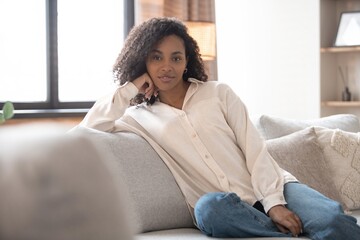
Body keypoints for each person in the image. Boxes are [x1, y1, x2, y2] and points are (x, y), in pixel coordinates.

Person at [79, 17, 360, 239]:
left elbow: (254, 147)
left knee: (334, 220)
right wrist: (129, 88)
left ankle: (296, 227)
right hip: (226, 209)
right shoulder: (136, 118)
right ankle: (294, 232)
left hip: (275, 187)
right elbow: (84, 132)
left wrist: (274, 202)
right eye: (156, 57)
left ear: (187, 61)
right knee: (210, 210)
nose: (167, 67)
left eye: (176, 58)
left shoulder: (218, 93)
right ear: (142, 61)